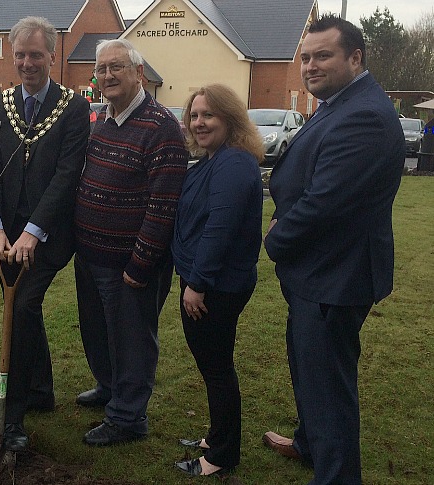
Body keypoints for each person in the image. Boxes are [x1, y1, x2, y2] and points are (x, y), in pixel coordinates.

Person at [262, 15, 404, 484]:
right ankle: (309, 443)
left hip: (335, 274)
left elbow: (324, 203)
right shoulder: (337, 103)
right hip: (318, 269)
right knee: (307, 366)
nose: (310, 66)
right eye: (305, 57)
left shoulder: (364, 114)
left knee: (328, 386)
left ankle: (337, 474)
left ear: (355, 57)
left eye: (323, 56)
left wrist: (275, 239)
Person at [0, 16, 89, 451]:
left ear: (52, 56)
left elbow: (66, 175)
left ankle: (14, 416)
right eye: (20, 55)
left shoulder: (73, 106)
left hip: (50, 234)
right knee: (25, 309)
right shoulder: (1, 105)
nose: (27, 63)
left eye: (36, 55)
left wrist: (33, 232)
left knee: (21, 308)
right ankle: (41, 390)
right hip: (4, 236)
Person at [74, 39, 187, 446]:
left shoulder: (161, 128)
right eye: (102, 69)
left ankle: (128, 417)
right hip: (90, 256)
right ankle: (109, 388)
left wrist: (140, 265)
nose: (107, 76)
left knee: (132, 341)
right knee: (99, 333)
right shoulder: (101, 120)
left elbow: (163, 206)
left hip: (129, 264)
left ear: (139, 73)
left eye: (117, 68)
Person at [171, 85, 264, 476]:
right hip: (208, 280)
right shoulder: (213, 160)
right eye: (194, 115)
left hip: (215, 287)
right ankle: (217, 435)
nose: (199, 122)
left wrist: (197, 284)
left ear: (229, 118)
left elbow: (219, 229)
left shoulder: (234, 165)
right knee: (214, 365)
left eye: (208, 115)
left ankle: (220, 457)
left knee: (217, 368)